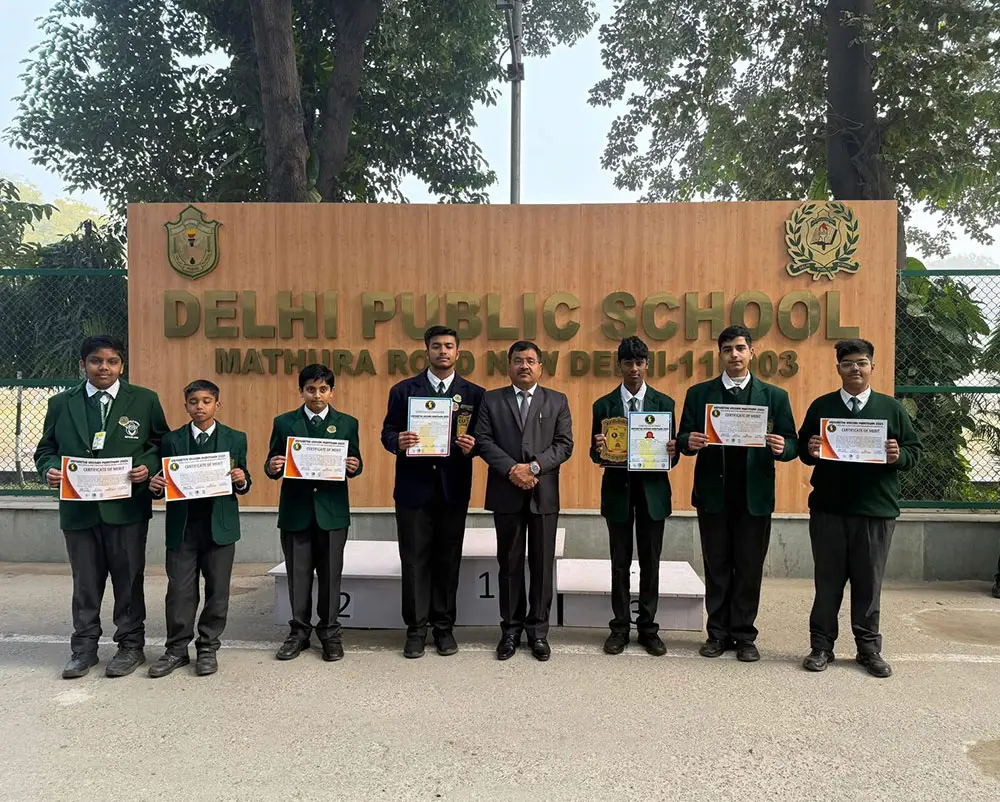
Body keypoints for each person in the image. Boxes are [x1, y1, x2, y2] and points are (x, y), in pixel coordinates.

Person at [33, 334, 169, 679]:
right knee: (85, 581)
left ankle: (130, 645)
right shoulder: (61, 403)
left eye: (111, 361)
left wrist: (147, 467)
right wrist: (49, 468)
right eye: (96, 361)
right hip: (79, 510)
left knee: (129, 579)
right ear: (83, 365)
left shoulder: (145, 400)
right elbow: (45, 449)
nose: (103, 367)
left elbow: (160, 443)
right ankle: (84, 649)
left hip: (126, 508)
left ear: (122, 365)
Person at [798, 339, 922, 678]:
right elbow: (803, 447)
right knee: (828, 583)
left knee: (868, 585)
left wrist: (899, 455)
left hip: (875, 511)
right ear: (838, 368)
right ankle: (821, 646)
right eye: (848, 363)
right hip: (829, 510)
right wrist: (810, 448)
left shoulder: (891, 408)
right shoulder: (822, 406)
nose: (855, 368)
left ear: (872, 367)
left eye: (862, 362)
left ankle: (868, 649)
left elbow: (914, 451)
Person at [677, 324, 798, 662]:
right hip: (713, 495)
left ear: (751, 353)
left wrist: (782, 447)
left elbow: (793, 442)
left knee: (748, 567)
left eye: (740, 348)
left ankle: (744, 635)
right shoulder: (699, 394)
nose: (734, 355)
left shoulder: (774, 396)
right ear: (720, 354)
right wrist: (690, 441)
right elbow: (683, 437)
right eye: (728, 349)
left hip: (754, 498)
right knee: (716, 566)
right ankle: (717, 633)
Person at [380, 326, 485, 658]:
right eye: (437, 346)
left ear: (458, 353)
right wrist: (396, 441)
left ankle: (443, 627)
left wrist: (474, 446)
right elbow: (388, 431)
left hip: (453, 489)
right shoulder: (403, 390)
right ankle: (415, 629)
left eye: (449, 346)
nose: (443, 351)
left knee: (448, 559)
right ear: (426, 351)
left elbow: (483, 438)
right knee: (413, 560)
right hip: (413, 489)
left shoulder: (475, 394)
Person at [474, 341, 574, 661]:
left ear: (541, 367)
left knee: (542, 566)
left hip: (543, 495)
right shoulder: (491, 400)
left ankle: (538, 632)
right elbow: (483, 441)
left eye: (531, 360)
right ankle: (510, 630)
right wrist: (512, 470)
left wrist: (533, 468)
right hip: (506, 493)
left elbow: (564, 444)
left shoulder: (557, 400)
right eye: (518, 360)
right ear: (509, 366)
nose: (524, 366)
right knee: (509, 565)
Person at [147, 380, 251, 678]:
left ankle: (208, 647)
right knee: (179, 590)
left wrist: (242, 479)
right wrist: (156, 486)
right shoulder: (171, 440)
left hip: (219, 526)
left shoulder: (235, 438)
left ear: (217, 404)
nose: (200, 407)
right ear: (186, 406)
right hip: (183, 527)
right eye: (194, 402)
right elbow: (161, 480)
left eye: (206, 401)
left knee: (217, 590)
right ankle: (176, 649)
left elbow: (244, 479)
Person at [265, 363, 362, 663]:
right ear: (301, 391)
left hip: (332, 512)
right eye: (310, 389)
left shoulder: (347, 423)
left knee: (331, 576)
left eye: (323, 389)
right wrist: (273, 466)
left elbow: (356, 461)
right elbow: (271, 462)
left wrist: (354, 466)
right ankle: (299, 632)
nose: (317, 395)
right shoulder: (284, 422)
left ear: (332, 392)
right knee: (298, 575)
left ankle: (330, 632)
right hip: (296, 511)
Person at [590, 336, 678, 656]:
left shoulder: (665, 403)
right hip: (618, 492)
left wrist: (673, 451)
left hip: (653, 492)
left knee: (651, 563)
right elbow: (593, 453)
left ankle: (648, 628)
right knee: (620, 562)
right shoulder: (603, 405)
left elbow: (672, 458)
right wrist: (599, 448)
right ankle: (619, 627)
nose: (634, 369)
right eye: (628, 363)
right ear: (620, 365)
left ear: (647, 365)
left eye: (639, 363)